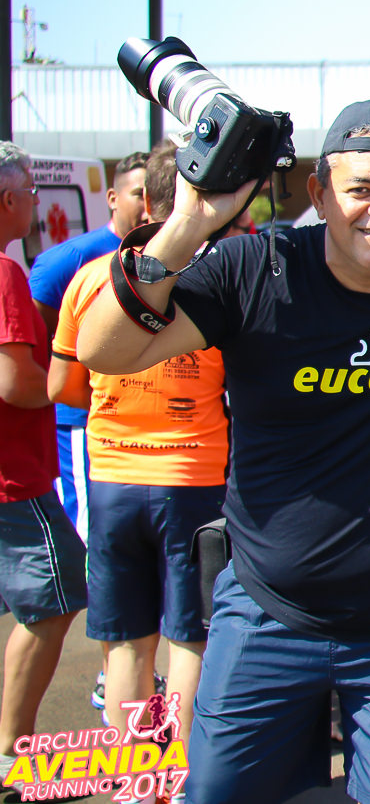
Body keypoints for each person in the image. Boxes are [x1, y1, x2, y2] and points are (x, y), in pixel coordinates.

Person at [76, 98, 370, 804]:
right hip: (264, 612)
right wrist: (187, 223)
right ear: (319, 192)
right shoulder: (256, 268)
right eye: (360, 187)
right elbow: (105, 349)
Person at [48, 141, 226, 745]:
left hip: (113, 478)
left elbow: (62, 387)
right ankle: (180, 770)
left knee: (126, 640)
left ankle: (135, 775)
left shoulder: (91, 278)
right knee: (190, 637)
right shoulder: (219, 281)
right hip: (195, 479)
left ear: (145, 200)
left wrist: (120, 396)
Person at [0, 142, 87, 785]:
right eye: (31, 192)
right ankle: (14, 751)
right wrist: (79, 374)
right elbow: (16, 382)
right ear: (8, 199)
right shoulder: (4, 273)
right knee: (54, 601)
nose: (35, 203)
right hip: (15, 477)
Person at [28, 150, 148, 537]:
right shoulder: (69, 260)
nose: (147, 204)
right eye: (138, 193)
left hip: (148, 426)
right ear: (112, 198)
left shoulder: (171, 256)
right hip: (85, 422)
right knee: (88, 528)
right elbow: (36, 341)